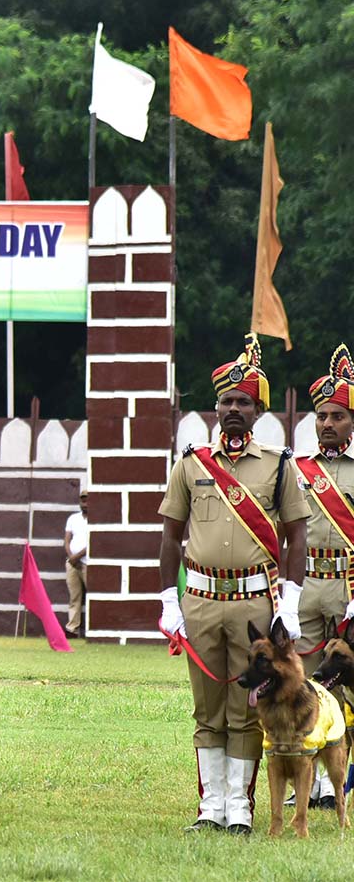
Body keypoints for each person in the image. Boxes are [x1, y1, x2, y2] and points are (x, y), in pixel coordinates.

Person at [157, 333, 309, 835]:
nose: (233, 409)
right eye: (226, 400)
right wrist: (168, 602)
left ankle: (240, 810)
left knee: (247, 710)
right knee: (207, 708)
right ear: (215, 407)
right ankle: (210, 807)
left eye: (243, 401)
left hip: (254, 609)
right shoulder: (191, 464)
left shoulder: (279, 465)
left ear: (259, 409)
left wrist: (289, 602)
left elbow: (296, 536)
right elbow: (170, 537)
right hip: (200, 600)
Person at [291, 343, 354, 808]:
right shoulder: (297, 470)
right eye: (322, 416)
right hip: (308, 585)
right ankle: (309, 784)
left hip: (350, 587)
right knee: (307, 684)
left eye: (338, 416)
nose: (328, 423)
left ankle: (344, 783)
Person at [64, 490, 89, 639]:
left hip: (87, 563)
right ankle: (72, 629)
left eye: (87, 501)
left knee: (92, 595)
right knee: (75, 597)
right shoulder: (73, 518)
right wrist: (72, 557)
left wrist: (77, 557)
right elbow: (67, 539)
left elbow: (93, 542)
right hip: (73, 564)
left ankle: (92, 628)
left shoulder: (97, 519)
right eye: (83, 501)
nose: (85, 504)